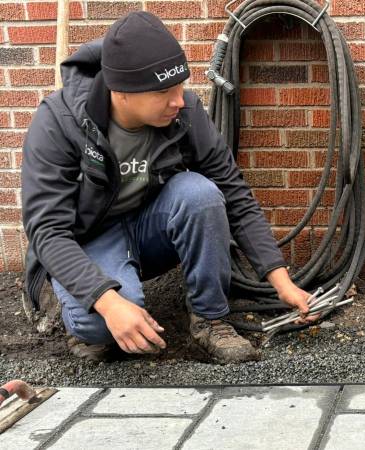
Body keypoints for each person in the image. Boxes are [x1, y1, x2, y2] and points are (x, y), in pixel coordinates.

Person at [21, 11, 315, 364]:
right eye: (163, 91)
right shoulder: (59, 122)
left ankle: (210, 319)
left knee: (201, 194)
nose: (179, 100)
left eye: (180, 85)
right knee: (100, 329)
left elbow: (233, 192)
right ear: (122, 92)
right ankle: (70, 301)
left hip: (149, 225)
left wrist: (281, 282)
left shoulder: (183, 110)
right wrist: (109, 301)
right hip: (91, 239)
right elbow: (47, 230)